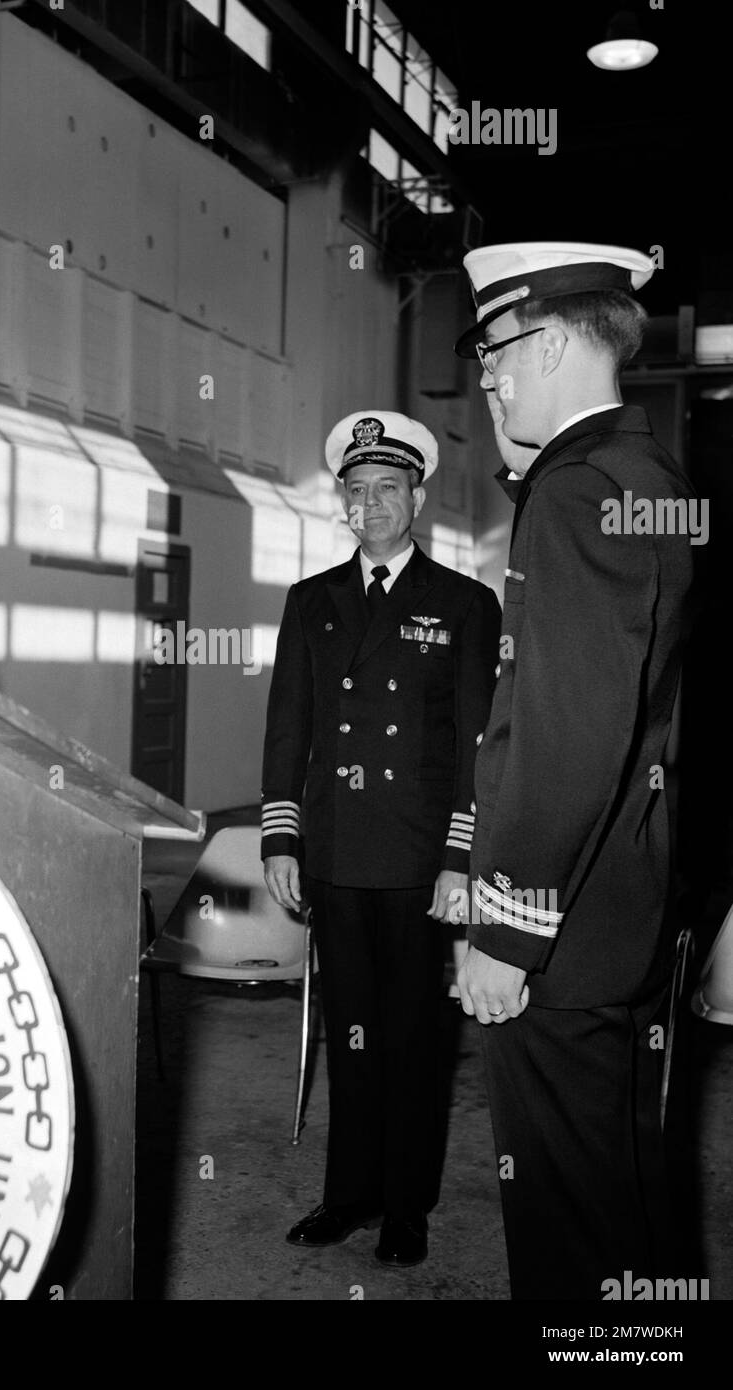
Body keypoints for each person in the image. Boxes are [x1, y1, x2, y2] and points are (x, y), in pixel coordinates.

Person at [453, 243, 697, 1300]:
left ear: (549, 342)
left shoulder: (576, 493)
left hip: (563, 935)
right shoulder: (651, 481)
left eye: (496, 352)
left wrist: (507, 928)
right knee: (623, 1206)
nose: (489, 378)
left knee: (571, 1238)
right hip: (627, 913)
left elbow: (567, 734)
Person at [261, 410, 501, 1267]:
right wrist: (280, 837)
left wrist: (460, 860)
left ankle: (406, 1204)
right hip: (334, 850)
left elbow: (478, 740)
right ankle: (349, 1193)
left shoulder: (466, 605)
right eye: (355, 493)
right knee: (350, 1028)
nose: (371, 506)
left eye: (387, 490)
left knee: (412, 1040)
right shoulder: (312, 601)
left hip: (415, 860)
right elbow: (288, 727)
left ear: (417, 499)